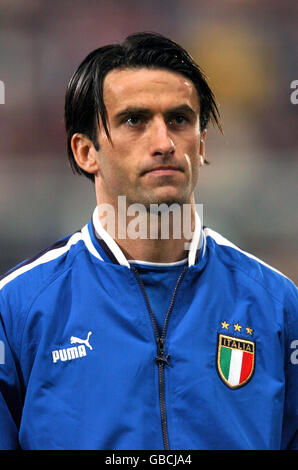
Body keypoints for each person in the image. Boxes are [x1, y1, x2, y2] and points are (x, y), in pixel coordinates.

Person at [0, 32, 297, 451]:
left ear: (202, 144)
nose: (164, 143)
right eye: (134, 120)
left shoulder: (278, 305)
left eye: (179, 119)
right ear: (86, 152)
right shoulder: (16, 309)